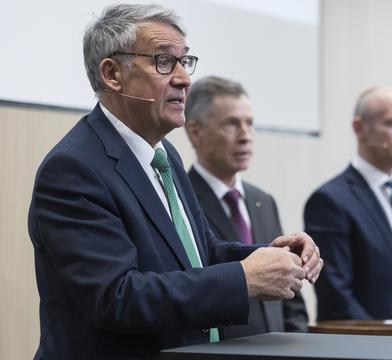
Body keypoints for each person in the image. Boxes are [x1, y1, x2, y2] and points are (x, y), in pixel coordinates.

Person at [27, 4, 321, 360]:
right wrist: (243, 278)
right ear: (112, 74)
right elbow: (115, 297)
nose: (184, 79)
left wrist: (269, 256)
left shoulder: (165, 154)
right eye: (164, 62)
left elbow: (198, 254)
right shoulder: (73, 169)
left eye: (185, 61)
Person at [184, 75, 308, 338]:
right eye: (231, 124)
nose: (245, 136)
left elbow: (292, 298)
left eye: (249, 124)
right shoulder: (182, 200)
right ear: (195, 132)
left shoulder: (263, 201)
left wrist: (298, 343)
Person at [304, 86, 392, 321]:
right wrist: (382, 342)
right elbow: (336, 294)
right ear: (359, 128)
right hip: (360, 346)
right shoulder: (330, 200)